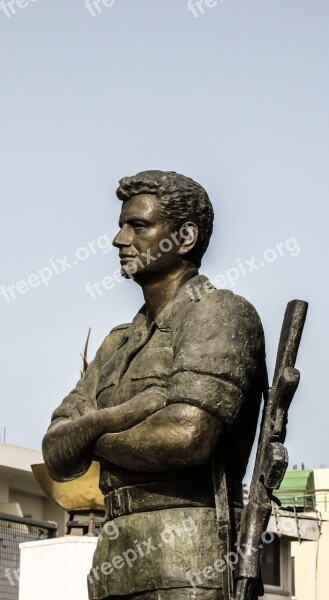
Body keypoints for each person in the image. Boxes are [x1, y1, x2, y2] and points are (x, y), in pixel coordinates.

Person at [42, 170, 266, 600]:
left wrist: (88, 434)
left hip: (190, 558)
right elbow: (55, 453)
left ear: (184, 237)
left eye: (138, 226)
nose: (119, 239)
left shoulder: (219, 313)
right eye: (122, 225)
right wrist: (120, 416)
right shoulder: (116, 343)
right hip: (113, 561)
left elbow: (187, 436)